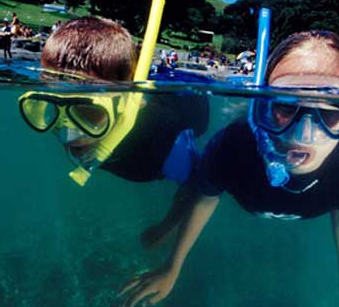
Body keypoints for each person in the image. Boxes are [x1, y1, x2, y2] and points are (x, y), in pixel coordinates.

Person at [119, 30, 339, 307]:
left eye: (327, 112)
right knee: (196, 182)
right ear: (263, 104)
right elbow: (205, 197)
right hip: (238, 189)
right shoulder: (232, 147)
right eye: (286, 106)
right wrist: (173, 265)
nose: (304, 134)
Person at [19, 16, 208, 185]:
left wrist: (171, 223)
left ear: (136, 101)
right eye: (54, 107)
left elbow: (203, 185)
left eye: (90, 113)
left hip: (188, 110)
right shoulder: (83, 135)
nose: (66, 135)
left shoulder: (164, 146)